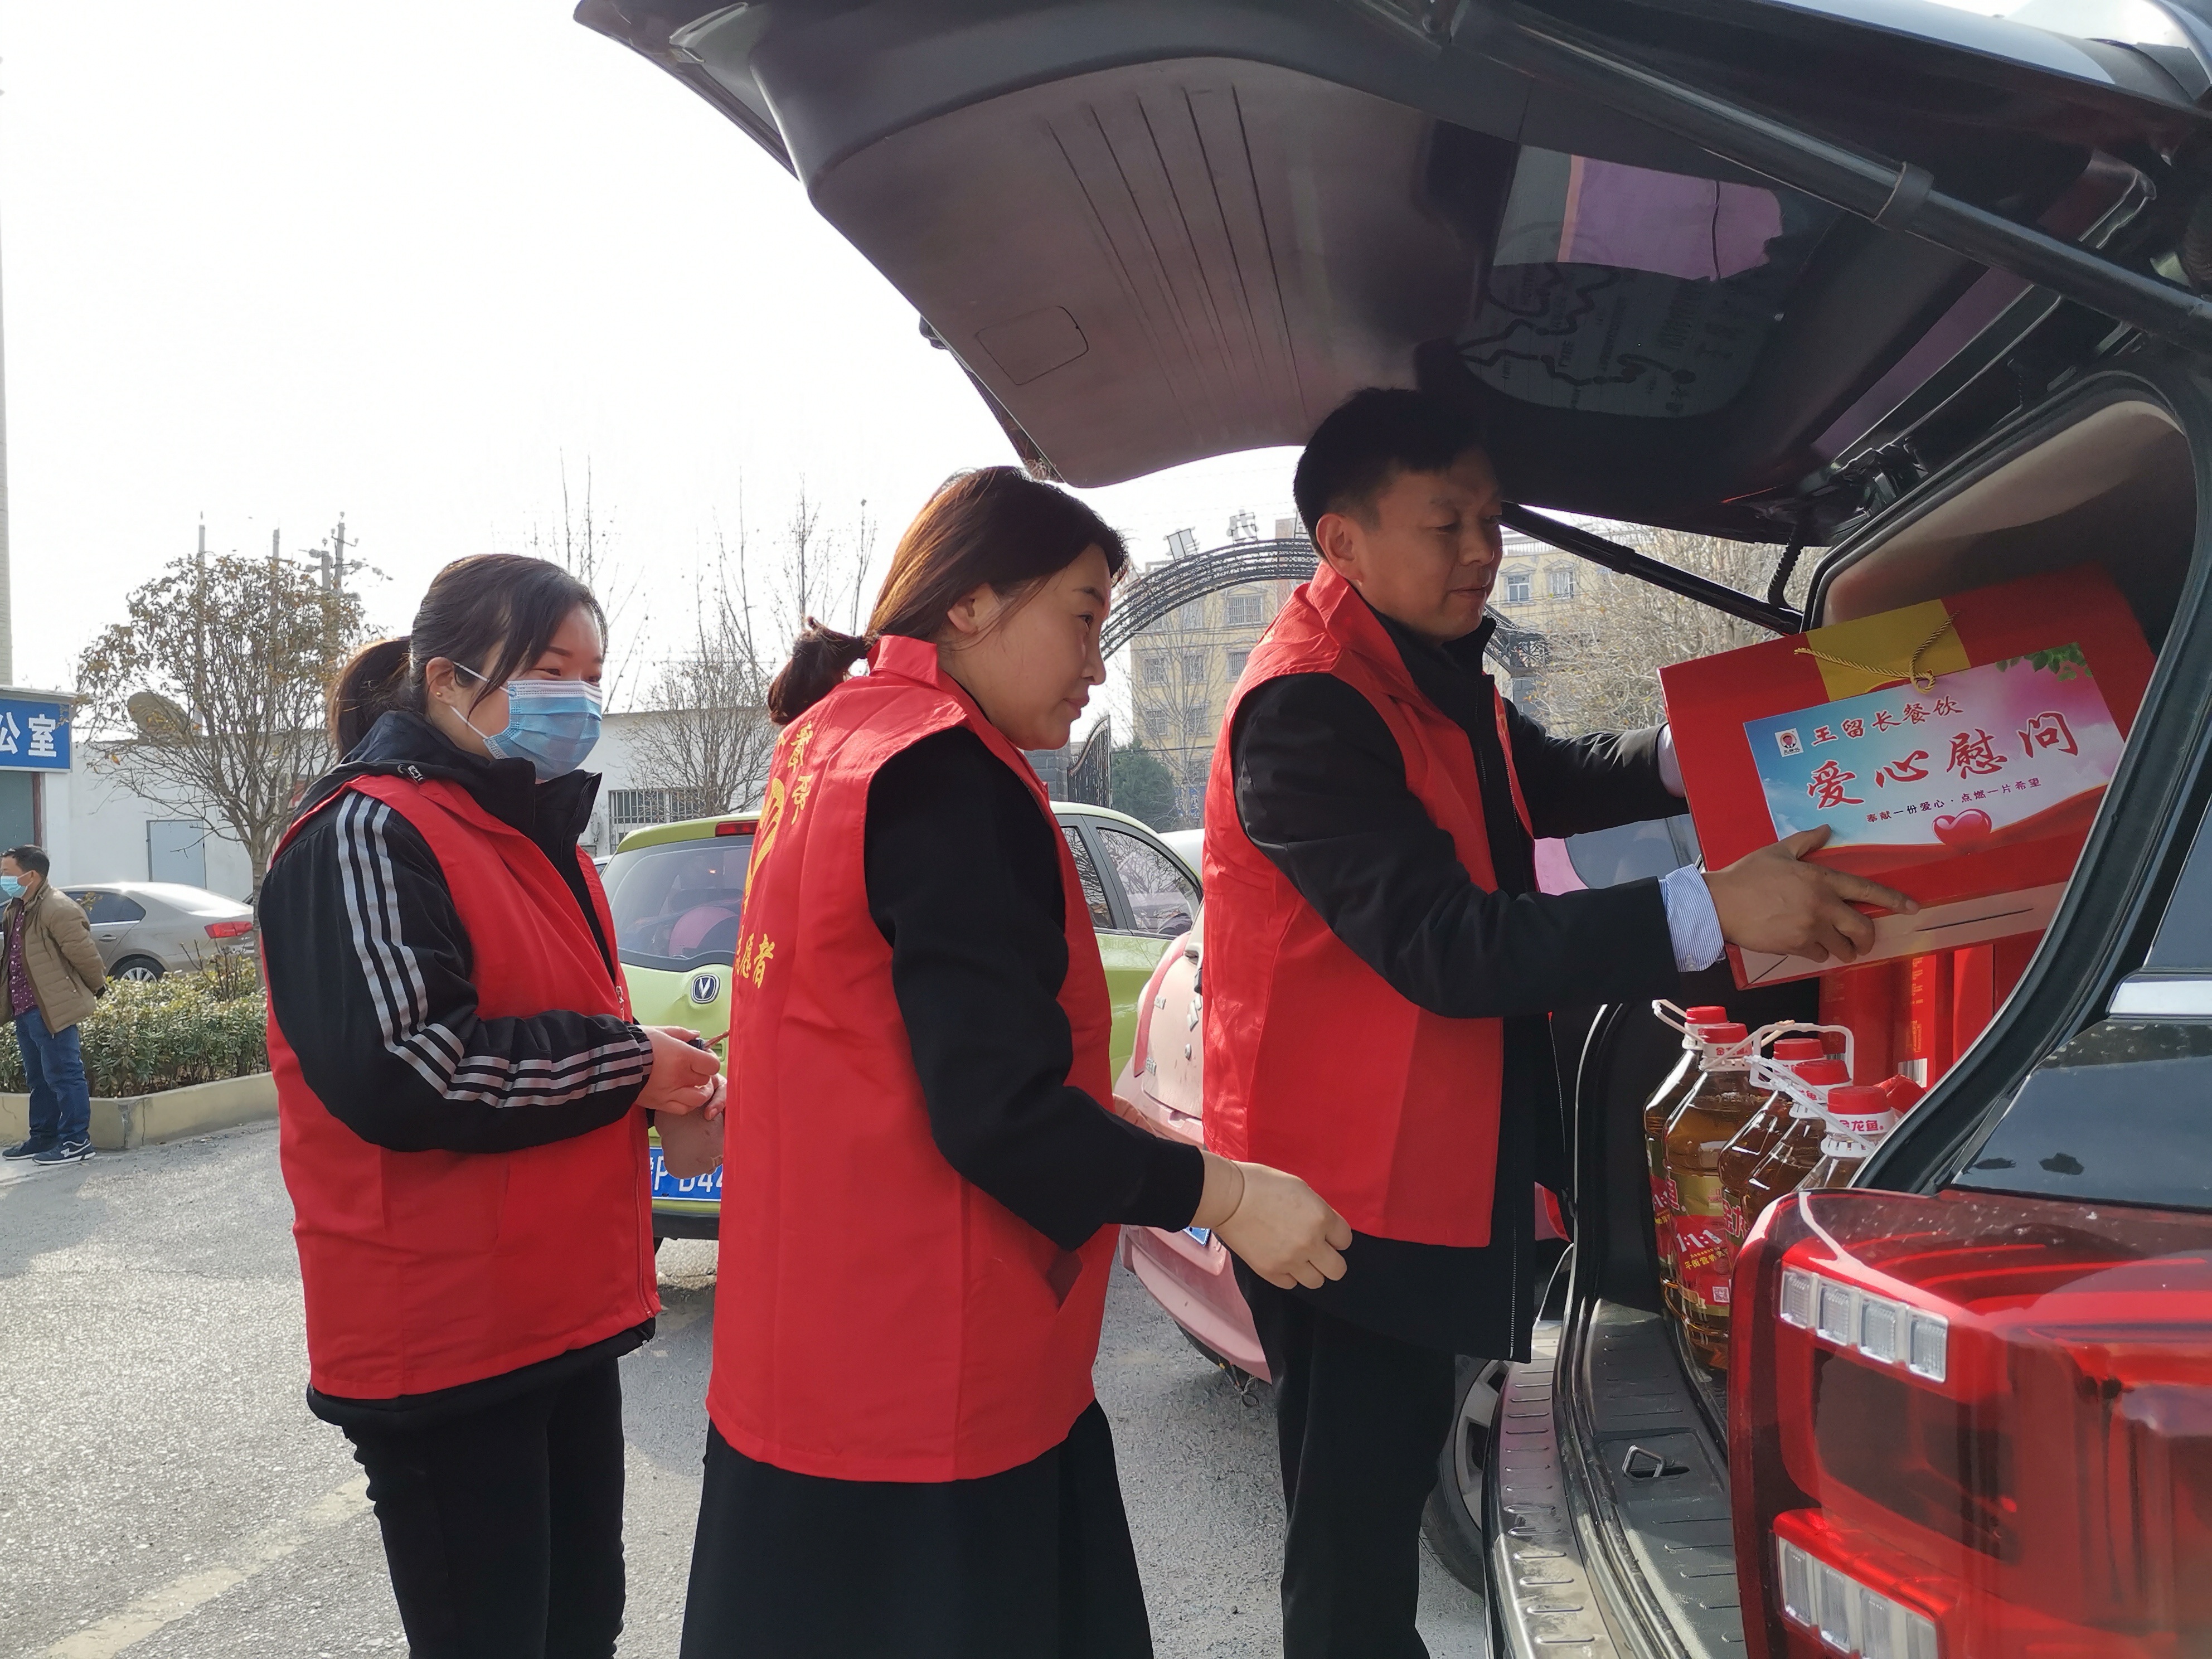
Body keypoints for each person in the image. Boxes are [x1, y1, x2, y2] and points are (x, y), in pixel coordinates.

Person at [1203, 389, 1919, 1657]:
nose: (1481, 550)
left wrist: (1706, 748)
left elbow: (1543, 776)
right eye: (1445, 523)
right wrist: (1708, 906)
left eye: (1491, 519)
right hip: (1334, 1198)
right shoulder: (1306, 710)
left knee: (1378, 1502)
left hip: (1424, 1154)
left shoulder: (1422, 667)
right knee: (1352, 1545)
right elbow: (1447, 945)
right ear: (1340, 541)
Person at [663, 467, 1350, 1659]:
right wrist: (1227, 1195)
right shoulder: (948, 775)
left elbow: (886, 1052)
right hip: (933, 1386)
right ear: (970, 603)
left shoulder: (831, 742)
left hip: (803, 1362)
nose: (1097, 665)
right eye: (1081, 617)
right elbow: (999, 1115)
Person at [257, 554, 722, 1659]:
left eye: (593, 673)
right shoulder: (365, 833)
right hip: (445, 1338)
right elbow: (409, 1068)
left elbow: (553, 1040)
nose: (580, 697)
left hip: (558, 1312)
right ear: (447, 679)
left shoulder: (540, 843)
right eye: (551, 668)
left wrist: (662, 1081)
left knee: (580, 1626)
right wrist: (628, 1066)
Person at [0, 845, 106, 1166]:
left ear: (30, 875)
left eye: (7, 872)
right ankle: (44, 1136)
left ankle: (76, 1141)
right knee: (38, 1077)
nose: (3, 878)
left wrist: (97, 986)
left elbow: (83, 954)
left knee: (64, 1074)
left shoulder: (57, 908)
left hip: (51, 1006)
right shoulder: (16, 908)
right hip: (24, 1007)